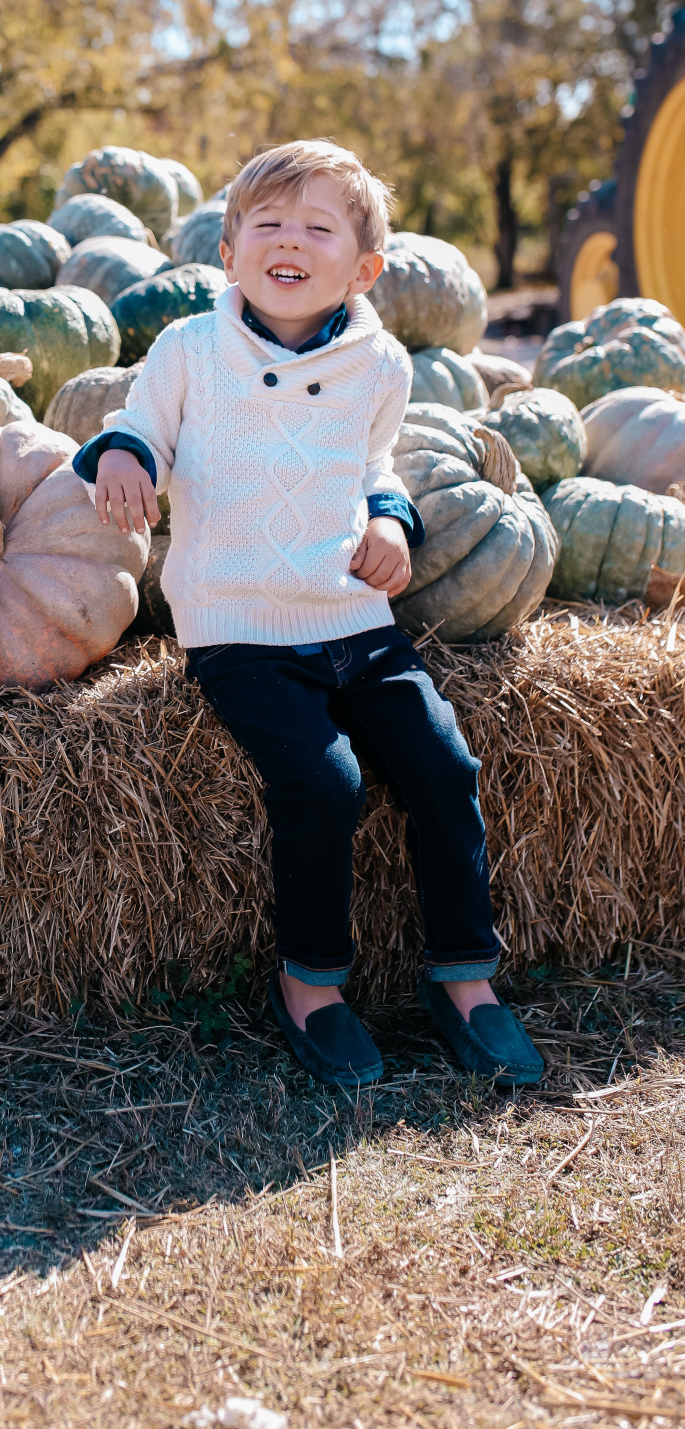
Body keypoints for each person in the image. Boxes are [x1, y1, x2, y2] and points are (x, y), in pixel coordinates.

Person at [76, 141, 542, 1089]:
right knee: (323, 785)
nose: (289, 240)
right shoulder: (188, 350)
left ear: (363, 268)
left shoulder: (379, 366)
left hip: (355, 621)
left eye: (318, 227)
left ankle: (465, 980)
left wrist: (390, 521)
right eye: (269, 223)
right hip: (239, 627)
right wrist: (120, 457)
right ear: (228, 247)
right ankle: (312, 988)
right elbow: (139, 428)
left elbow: (372, 468)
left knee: (442, 764)